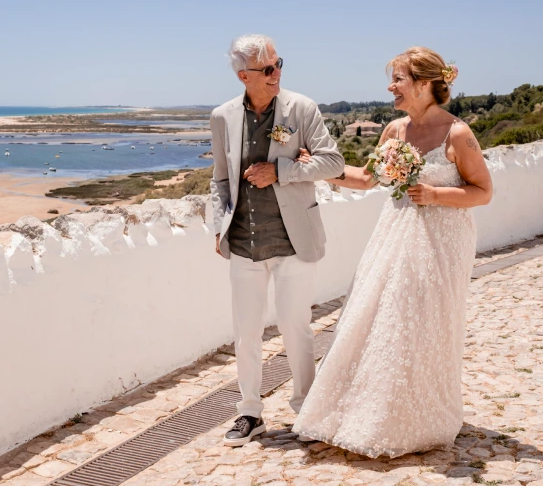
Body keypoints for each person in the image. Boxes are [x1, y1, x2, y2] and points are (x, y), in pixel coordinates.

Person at [292, 47, 493, 457]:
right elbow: (366, 179)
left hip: (443, 241)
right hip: (395, 234)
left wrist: (435, 193)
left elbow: (483, 191)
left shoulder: (458, 134)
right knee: (382, 318)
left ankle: (419, 416)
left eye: (398, 79)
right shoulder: (394, 131)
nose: (391, 87)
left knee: (425, 323)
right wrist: (317, 167)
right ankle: (366, 412)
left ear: (423, 84)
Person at [209, 34, 345, 446]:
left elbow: (333, 161)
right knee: (246, 330)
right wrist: (218, 226)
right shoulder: (222, 117)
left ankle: (306, 409)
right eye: (267, 69)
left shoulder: (301, 108)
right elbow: (219, 180)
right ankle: (249, 413)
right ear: (243, 75)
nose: (277, 74)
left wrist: (280, 171)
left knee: (294, 326)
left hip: (293, 238)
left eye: (278, 63)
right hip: (244, 241)